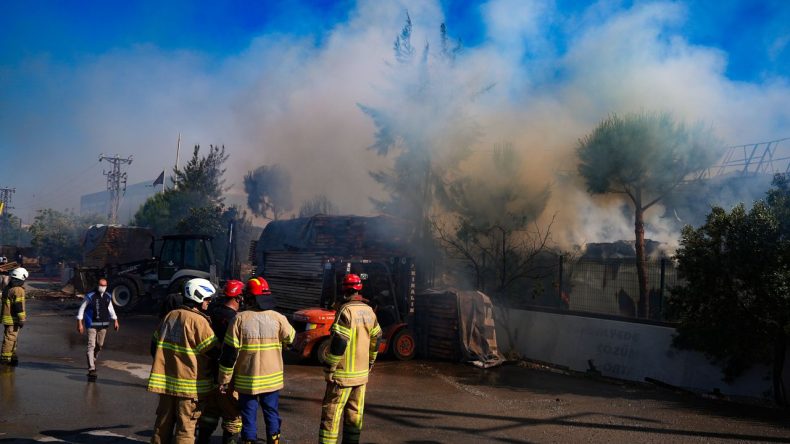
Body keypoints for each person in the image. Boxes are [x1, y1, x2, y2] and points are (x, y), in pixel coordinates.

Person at [218, 277, 295, 444]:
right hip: (272, 380)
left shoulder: (239, 319)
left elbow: (229, 354)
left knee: (248, 416)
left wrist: (224, 380)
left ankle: (249, 441)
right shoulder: (278, 318)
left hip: (247, 381)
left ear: (249, 298)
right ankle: (273, 441)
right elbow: (291, 340)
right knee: (271, 412)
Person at [148, 278, 219, 444]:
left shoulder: (170, 316)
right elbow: (213, 352)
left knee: (162, 426)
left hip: (166, 384)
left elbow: (154, 346)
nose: (209, 302)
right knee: (186, 429)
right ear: (198, 296)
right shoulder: (199, 321)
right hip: (189, 388)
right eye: (207, 298)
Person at [319, 273, 382, 444]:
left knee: (331, 416)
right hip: (361, 376)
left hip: (342, 376)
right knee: (354, 415)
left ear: (344, 290)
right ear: (359, 289)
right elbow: (377, 338)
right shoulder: (369, 311)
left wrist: (330, 367)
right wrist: (370, 361)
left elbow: (340, 341)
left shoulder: (346, 310)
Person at [197, 279, 244, 444]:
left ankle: (202, 440)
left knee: (210, 411)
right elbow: (232, 352)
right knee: (232, 415)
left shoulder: (211, 312)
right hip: (227, 375)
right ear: (238, 298)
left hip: (208, 372)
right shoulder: (235, 320)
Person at [76, 278, 120, 379]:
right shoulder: (90, 296)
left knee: (99, 345)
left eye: (104, 286)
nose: (102, 287)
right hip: (91, 324)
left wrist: (116, 320)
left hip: (103, 325)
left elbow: (111, 309)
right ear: (97, 285)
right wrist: (80, 323)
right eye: (101, 285)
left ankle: (93, 359)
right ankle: (91, 368)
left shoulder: (108, 296)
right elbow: (82, 309)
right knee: (91, 345)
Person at [1, 267, 28, 366]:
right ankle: (5, 358)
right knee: (10, 338)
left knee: (12, 337)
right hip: (13, 318)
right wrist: (22, 319)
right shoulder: (18, 290)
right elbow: (18, 306)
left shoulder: (9, 287)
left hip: (7, 318)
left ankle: (12, 355)